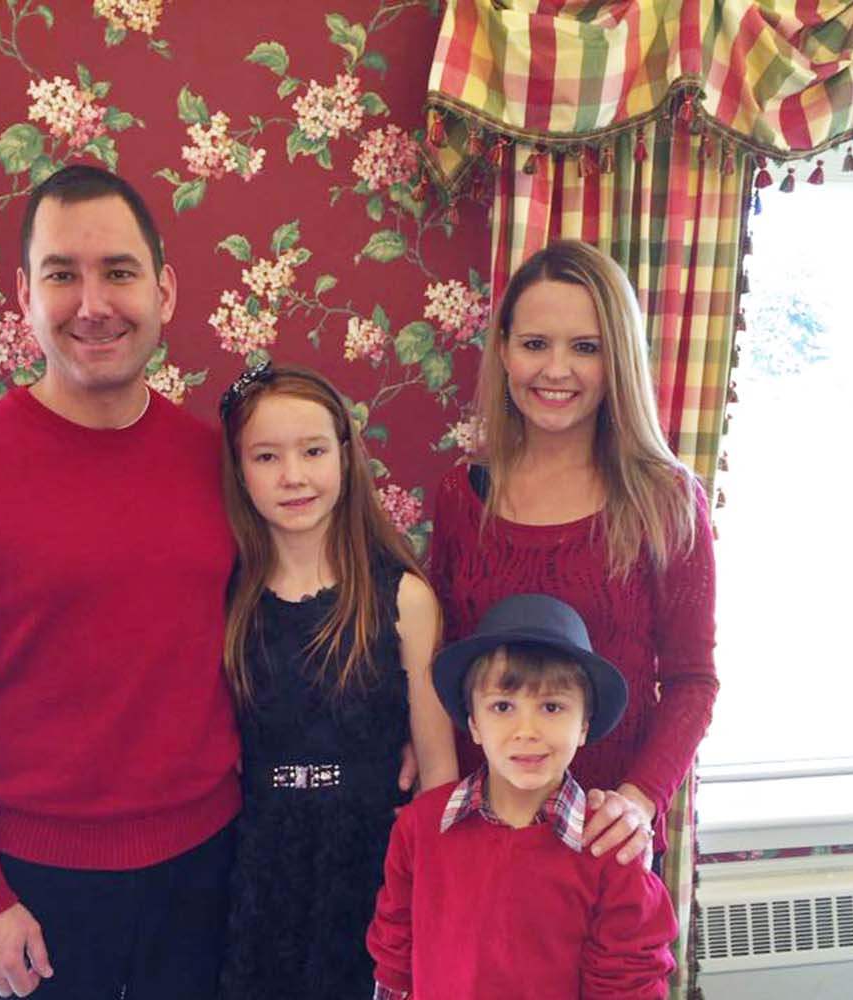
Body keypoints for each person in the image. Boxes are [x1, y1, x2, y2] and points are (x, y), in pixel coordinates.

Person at [0, 165, 240, 999]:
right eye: (62, 275)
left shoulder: (220, 464)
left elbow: (291, 625)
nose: (94, 304)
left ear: (163, 290)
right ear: (24, 295)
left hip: (211, 867)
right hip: (36, 890)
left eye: (119, 271)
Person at [430, 239, 717, 865]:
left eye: (585, 347)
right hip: (484, 831)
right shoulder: (461, 496)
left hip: (604, 839)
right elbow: (441, 661)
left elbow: (692, 681)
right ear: (504, 350)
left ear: (618, 358)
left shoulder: (667, 501)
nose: (556, 370)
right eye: (535, 344)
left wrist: (639, 800)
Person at [216, 363, 457, 1000]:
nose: (293, 475)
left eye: (313, 451)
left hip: (371, 865)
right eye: (267, 456)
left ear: (345, 457)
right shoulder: (226, 599)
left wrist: (430, 898)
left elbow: (437, 775)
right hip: (254, 867)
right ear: (240, 471)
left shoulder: (404, 599)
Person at [367, 592, 679, 999]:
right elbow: (394, 960)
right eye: (502, 707)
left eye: (551, 707)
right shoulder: (419, 828)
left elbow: (628, 985)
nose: (526, 731)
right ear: (473, 723)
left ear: (584, 726)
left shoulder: (610, 849)